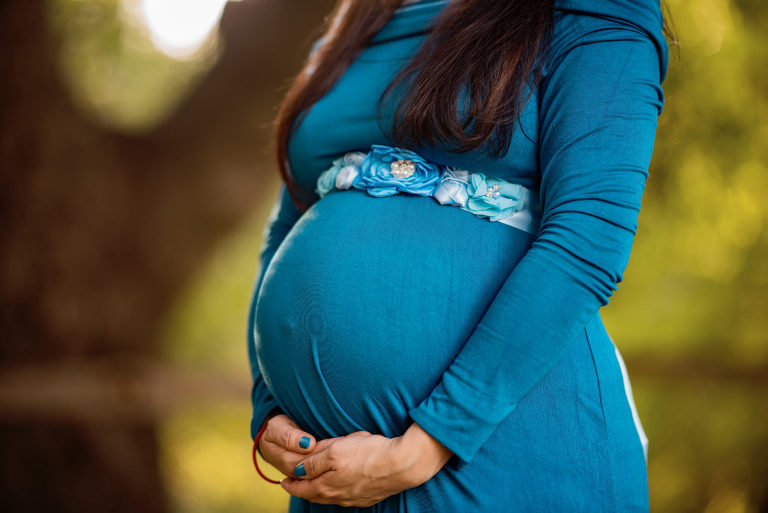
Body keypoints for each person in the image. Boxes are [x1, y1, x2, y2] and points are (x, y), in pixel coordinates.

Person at [247, 0, 670, 510]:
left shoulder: (593, 9)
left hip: (506, 451)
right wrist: (269, 407)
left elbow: (587, 239)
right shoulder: (353, 24)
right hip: (334, 473)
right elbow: (284, 233)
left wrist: (423, 448)